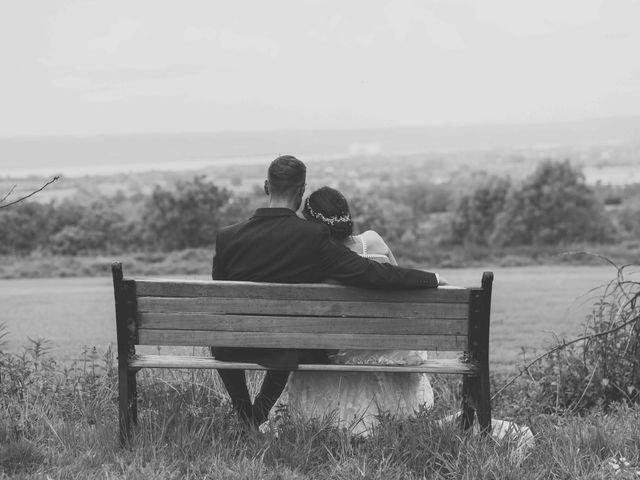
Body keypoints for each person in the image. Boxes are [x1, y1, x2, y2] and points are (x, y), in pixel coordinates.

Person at [211, 155, 442, 427]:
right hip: (286, 348)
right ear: (301, 191)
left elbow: (221, 296)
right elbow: (371, 272)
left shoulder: (227, 237)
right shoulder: (311, 237)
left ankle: (245, 415)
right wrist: (433, 278)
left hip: (232, 345)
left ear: (265, 187)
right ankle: (257, 414)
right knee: (291, 340)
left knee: (232, 341)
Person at [270, 186, 435, 435]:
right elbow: (398, 284)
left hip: (339, 349)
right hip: (392, 345)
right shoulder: (375, 241)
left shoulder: (317, 259)